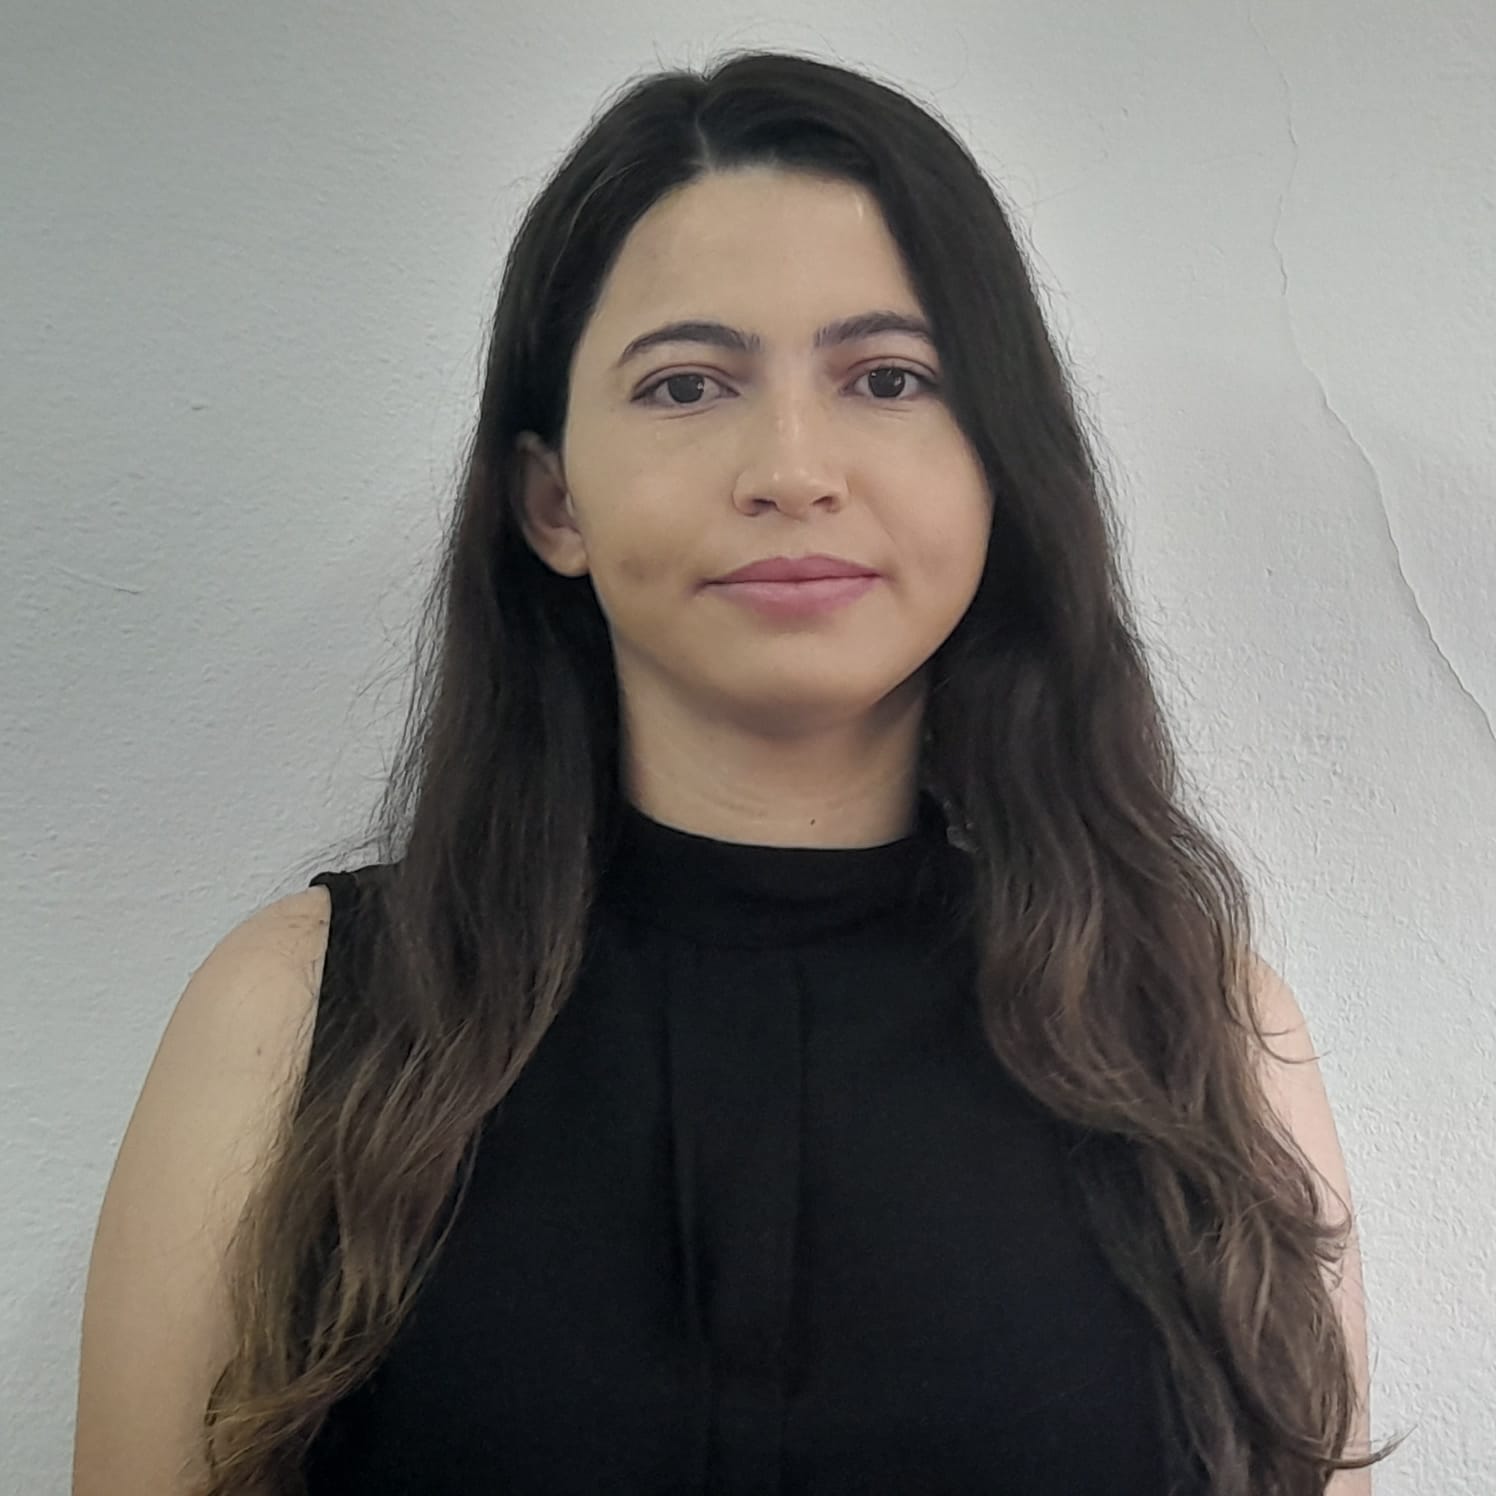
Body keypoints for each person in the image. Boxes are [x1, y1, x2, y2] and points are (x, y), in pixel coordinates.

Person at [73, 49, 1405, 1496]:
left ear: (997, 472)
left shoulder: (1199, 1027)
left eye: (888, 378)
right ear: (552, 501)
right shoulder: (294, 1015)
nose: (791, 467)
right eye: (687, 385)